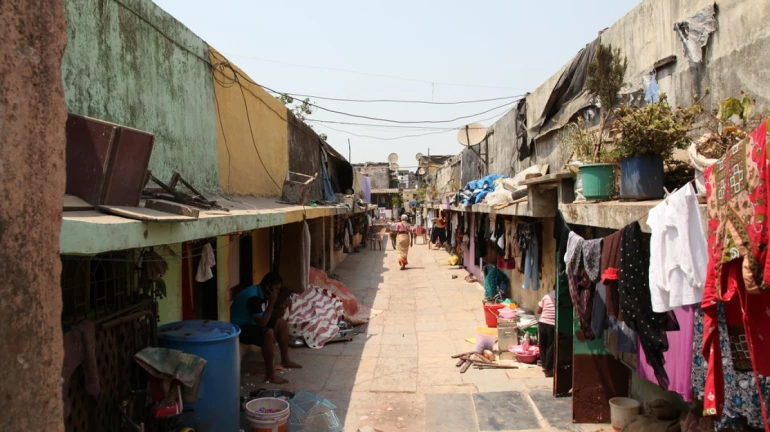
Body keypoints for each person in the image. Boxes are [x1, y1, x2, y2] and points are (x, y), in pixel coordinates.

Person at [230, 272, 302, 384]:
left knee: (281, 323)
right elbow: (263, 323)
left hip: (252, 322)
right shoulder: (253, 297)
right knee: (268, 333)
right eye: (276, 289)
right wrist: (272, 302)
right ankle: (270, 375)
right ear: (268, 286)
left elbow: (268, 317)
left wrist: (281, 308)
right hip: (239, 328)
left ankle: (285, 360)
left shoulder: (262, 293)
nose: (278, 292)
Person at [537, 290, 556, 378]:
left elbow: (539, 311)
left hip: (542, 323)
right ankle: (548, 371)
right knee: (550, 346)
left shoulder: (546, 297)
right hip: (552, 324)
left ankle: (544, 367)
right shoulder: (561, 297)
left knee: (542, 345)